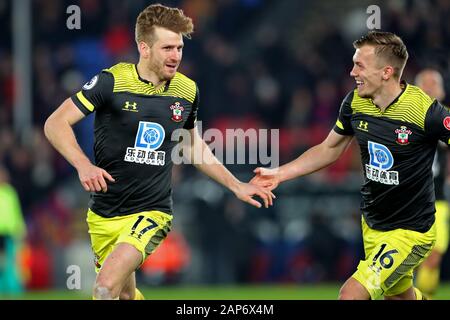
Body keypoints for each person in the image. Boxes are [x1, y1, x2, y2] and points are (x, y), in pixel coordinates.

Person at [44, 3, 274, 300]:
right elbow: (55, 123)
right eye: (167, 48)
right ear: (144, 48)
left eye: (179, 48)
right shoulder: (112, 82)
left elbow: (192, 146)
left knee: (104, 289)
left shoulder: (187, 91)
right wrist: (82, 164)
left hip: (151, 211)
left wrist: (236, 185)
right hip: (103, 215)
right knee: (126, 296)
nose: (176, 55)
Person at [251, 31, 450, 300]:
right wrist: (279, 173)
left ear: (386, 72)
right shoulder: (355, 102)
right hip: (373, 224)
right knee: (401, 298)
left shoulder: (424, 111)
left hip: (411, 231)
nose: (352, 71)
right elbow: (329, 149)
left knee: (351, 295)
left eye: (360, 65)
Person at [414, 69, 449, 298]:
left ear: (442, 89)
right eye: (424, 83)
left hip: (437, 197)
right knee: (413, 256)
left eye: (433, 83)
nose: (428, 87)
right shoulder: (406, 116)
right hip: (409, 198)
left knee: (435, 253)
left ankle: (424, 293)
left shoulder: (446, 117)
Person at [0, 165, 26, 295]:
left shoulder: (10, 192)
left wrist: (20, 228)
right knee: (2, 263)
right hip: (1, 233)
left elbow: (15, 211)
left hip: (9, 233)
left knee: (12, 262)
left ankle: (13, 289)